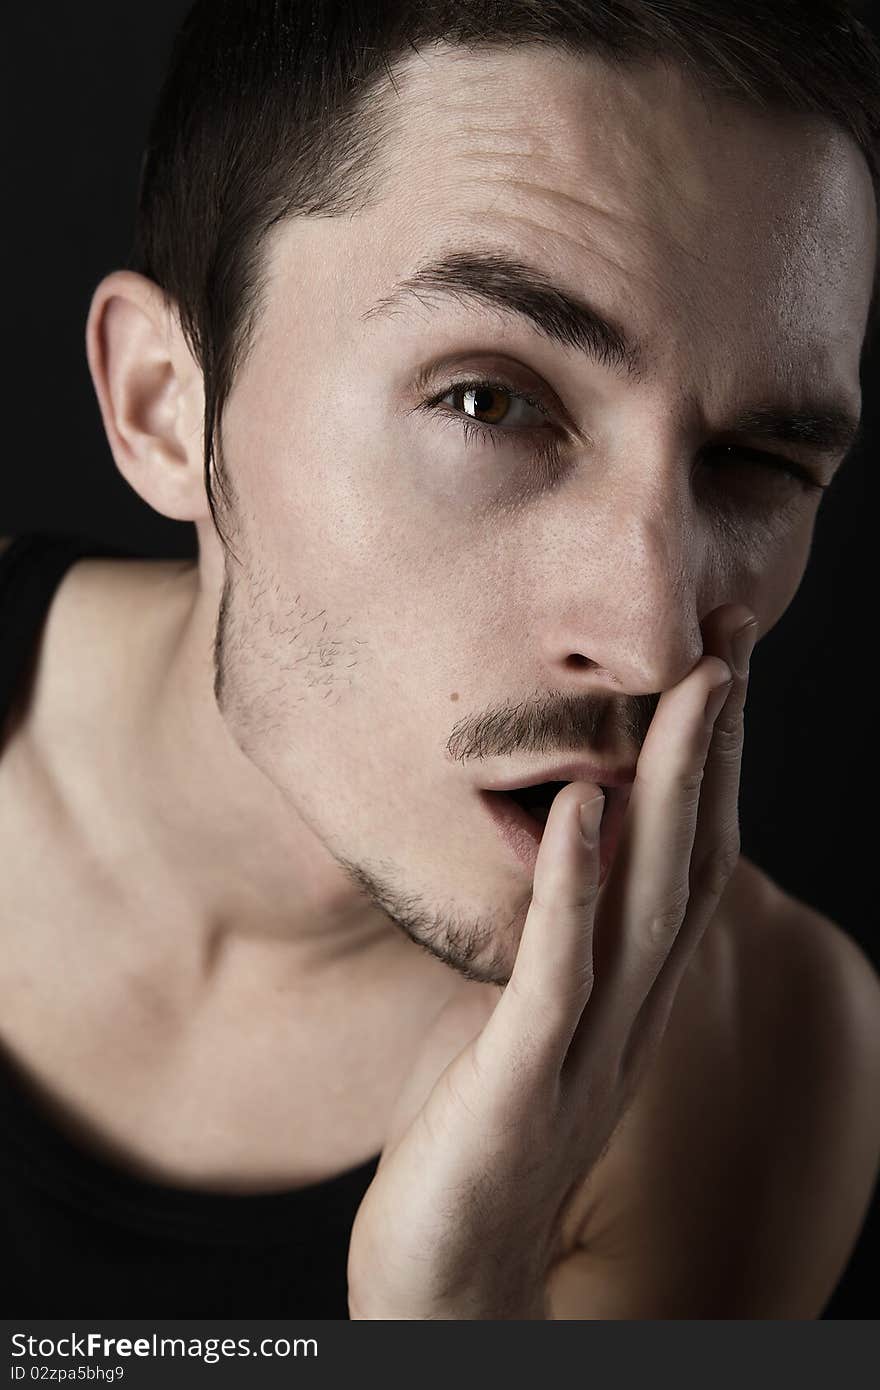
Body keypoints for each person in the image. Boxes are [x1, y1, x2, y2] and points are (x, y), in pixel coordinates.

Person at [1, 0, 878, 1319]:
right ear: (163, 407)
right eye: (487, 401)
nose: (650, 638)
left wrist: (456, 1310)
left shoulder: (749, 1059)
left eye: (757, 466)